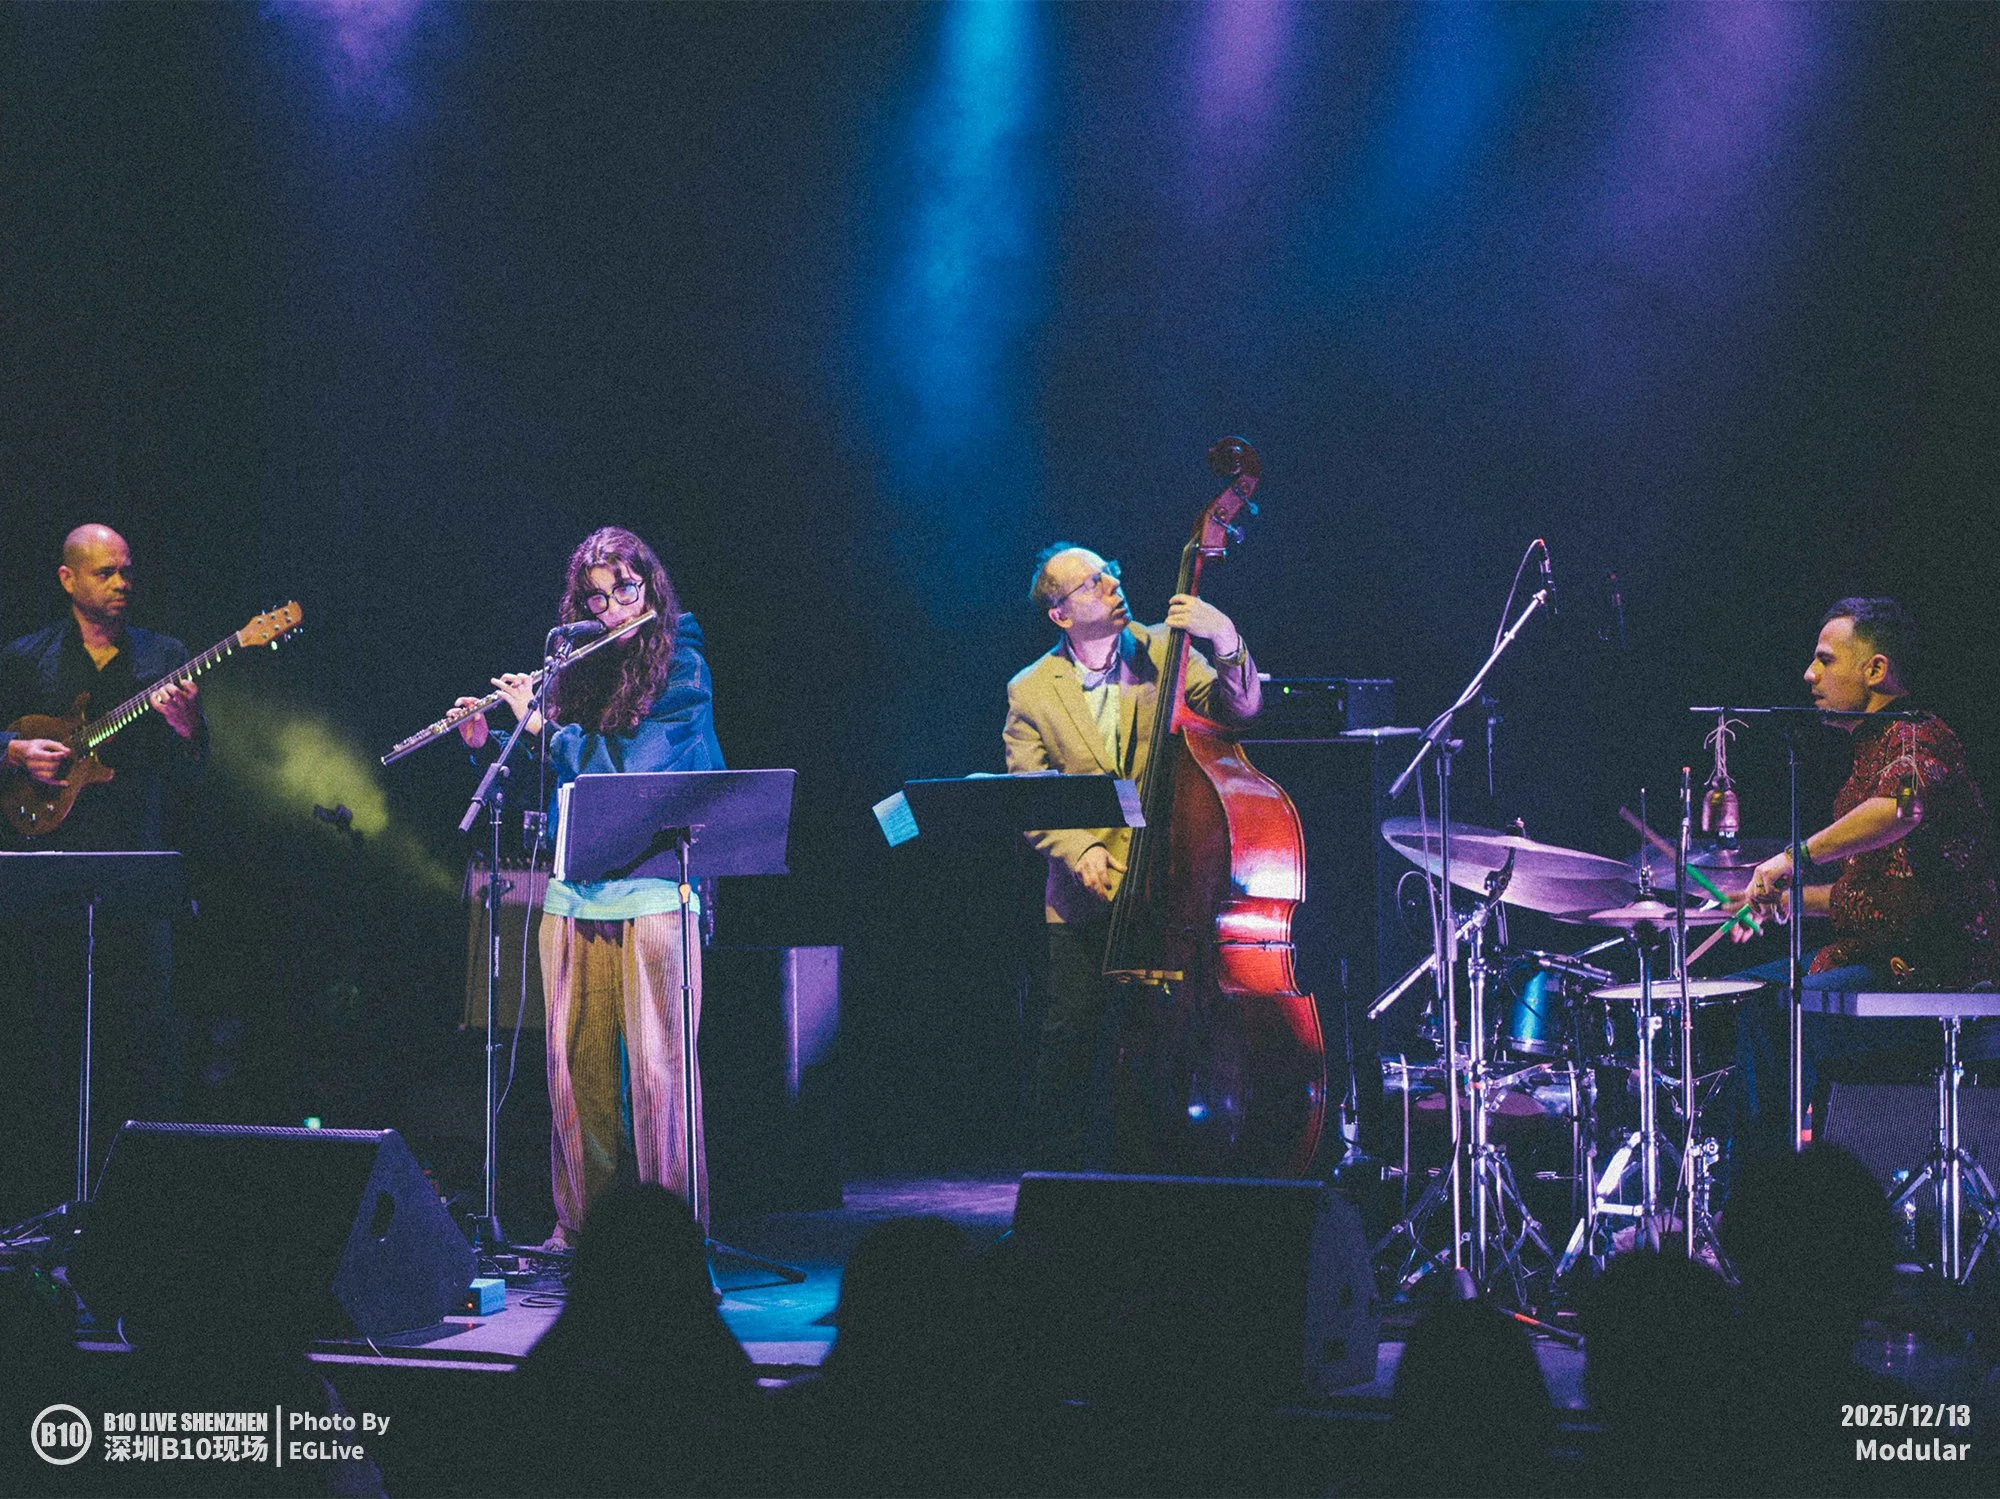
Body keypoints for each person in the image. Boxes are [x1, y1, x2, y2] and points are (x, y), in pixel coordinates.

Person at [456, 527, 724, 1249]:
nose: (612, 608)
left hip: (654, 894)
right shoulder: (577, 662)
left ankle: (674, 1241)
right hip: (575, 895)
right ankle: (581, 1231)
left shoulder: (683, 660)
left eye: (625, 589)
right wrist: (494, 744)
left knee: (660, 1080)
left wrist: (543, 726)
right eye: (596, 597)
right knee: (576, 1080)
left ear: (650, 585)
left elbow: (632, 769)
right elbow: (556, 778)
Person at [1002, 543, 1260, 1170]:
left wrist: (1225, 639)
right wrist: (1081, 848)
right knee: (1070, 1044)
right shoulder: (1030, 691)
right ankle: (1058, 1186)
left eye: (1111, 573)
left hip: (1171, 886)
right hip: (1084, 902)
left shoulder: (1164, 649)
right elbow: (1029, 795)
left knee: (1173, 1043)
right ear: (1060, 614)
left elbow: (1239, 711)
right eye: (1093, 583)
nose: (1113, 585)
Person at [1729, 597, 1998, 1169]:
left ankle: (1768, 1182)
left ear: (1875, 669)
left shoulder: (1916, 738)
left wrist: (1793, 858)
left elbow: (1902, 809)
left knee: (1777, 1012)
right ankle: (1753, 1174)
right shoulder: (1873, 751)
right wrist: (1784, 902)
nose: (1809, 675)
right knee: (1742, 993)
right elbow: (1879, 896)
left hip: (1936, 965)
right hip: (1885, 953)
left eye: (1825, 660)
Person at [0, 524, 204, 1219]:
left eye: (126, 571)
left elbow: (193, 771)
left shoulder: (163, 658)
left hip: (132, 873)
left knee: (141, 1041)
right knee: (43, 1043)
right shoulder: (25, 659)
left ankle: (139, 1211)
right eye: (105, 572)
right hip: (45, 874)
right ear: (68, 579)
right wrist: (15, 749)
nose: (121, 583)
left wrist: (188, 728)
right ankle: (42, 1206)